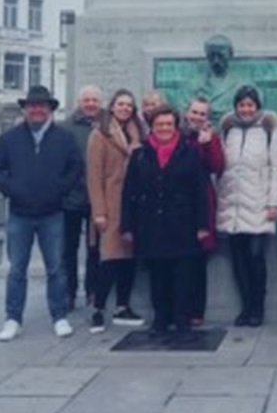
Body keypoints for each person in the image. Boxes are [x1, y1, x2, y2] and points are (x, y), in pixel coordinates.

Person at [0, 86, 83, 342]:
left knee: (56, 268)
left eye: (42, 106)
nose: (37, 110)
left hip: (52, 213)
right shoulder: (10, 138)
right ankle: (13, 318)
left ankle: (59, 316)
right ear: (25, 109)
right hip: (20, 213)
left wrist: (60, 190)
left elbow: (76, 168)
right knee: (17, 269)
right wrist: (11, 189)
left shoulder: (63, 138)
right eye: (32, 106)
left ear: (50, 109)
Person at [120, 104, 210, 334]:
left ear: (176, 126)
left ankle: (182, 319)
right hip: (150, 224)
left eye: (169, 124)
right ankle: (161, 318)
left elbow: (200, 190)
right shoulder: (140, 154)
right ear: (152, 126)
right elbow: (129, 192)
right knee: (157, 274)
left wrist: (202, 225)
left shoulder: (189, 152)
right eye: (159, 124)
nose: (164, 128)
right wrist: (127, 226)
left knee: (182, 276)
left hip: (183, 224)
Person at [217, 85, 277, 327]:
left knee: (256, 258)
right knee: (239, 260)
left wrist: (274, 203)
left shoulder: (268, 129)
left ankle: (258, 308)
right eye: (242, 105)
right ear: (236, 106)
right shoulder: (227, 129)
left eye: (250, 105)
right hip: (232, 205)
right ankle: (245, 308)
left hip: (259, 204)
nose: (246, 110)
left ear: (257, 106)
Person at [85, 89, 146, 334]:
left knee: (128, 259)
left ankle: (123, 306)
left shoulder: (137, 134)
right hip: (110, 206)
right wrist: (98, 211)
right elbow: (94, 176)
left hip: (133, 206)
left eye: (129, 105)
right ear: (112, 107)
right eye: (121, 104)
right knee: (109, 258)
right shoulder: (100, 134)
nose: (125, 109)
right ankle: (98, 308)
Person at [183, 96, 225, 326]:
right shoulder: (176, 134)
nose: (197, 117)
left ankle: (196, 311)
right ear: (186, 112)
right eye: (194, 112)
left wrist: (207, 144)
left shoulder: (210, 138)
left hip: (201, 204)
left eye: (202, 114)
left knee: (199, 261)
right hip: (177, 207)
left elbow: (217, 167)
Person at [62, 85, 103, 311]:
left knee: (95, 248)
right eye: (86, 100)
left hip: (96, 199)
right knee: (68, 248)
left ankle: (92, 290)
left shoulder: (106, 125)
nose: (90, 104)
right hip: (72, 198)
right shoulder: (66, 128)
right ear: (80, 102)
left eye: (95, 100)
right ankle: (69, 291)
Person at [194, 35, 241, 118]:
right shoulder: (193, 84)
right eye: (212, 56)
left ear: (230, 55)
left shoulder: (243, 84)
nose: (216, 61)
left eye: (221, 55)